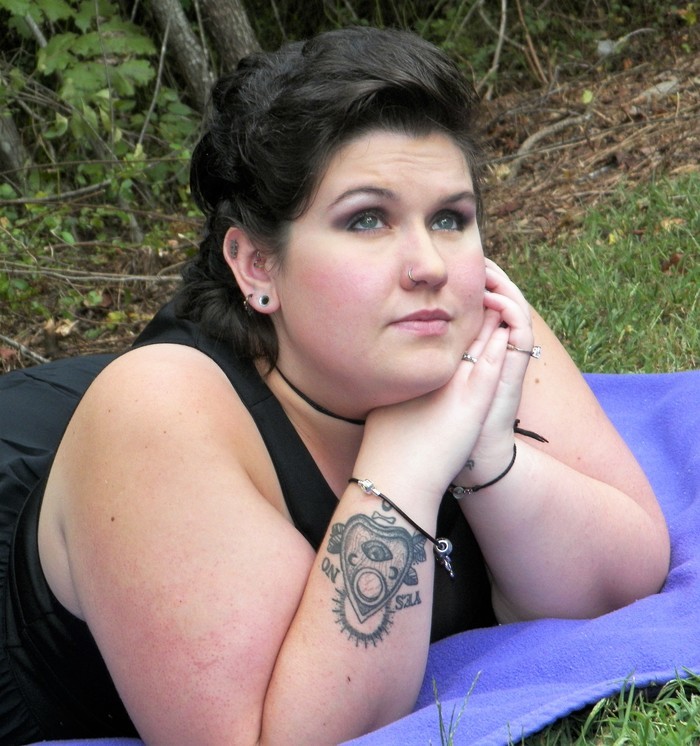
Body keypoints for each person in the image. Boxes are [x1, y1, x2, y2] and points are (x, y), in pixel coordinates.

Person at [0, 25, 669, 746]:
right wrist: (406, 469)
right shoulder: (158, 416)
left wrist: (486, 456)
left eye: (450, 218)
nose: (429, 265)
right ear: (257, 265)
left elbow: (625, 579)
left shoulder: (462, 319)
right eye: (367, 220)